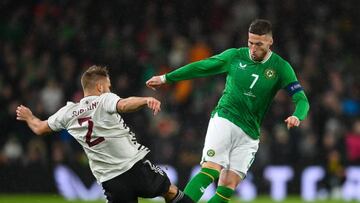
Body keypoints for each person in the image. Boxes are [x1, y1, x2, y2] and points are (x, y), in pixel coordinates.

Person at [146, 19, 310, 202]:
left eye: (258, 44)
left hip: (250, 133)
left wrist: (297, 115)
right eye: (250, 43)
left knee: (228, 186)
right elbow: (201, 67)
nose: (253, 48)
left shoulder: (281, 67)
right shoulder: (235, 56)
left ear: (270, 41)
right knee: (211, 169)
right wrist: (167, 78)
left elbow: (302, 100)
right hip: (226, 118)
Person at [16, 65, 193, 203]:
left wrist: (28, 116)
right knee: (170, 191)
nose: (109, 90)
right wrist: (145, 100)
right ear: (100, 87)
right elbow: (124, 104)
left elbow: (39, 127)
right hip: (133, 168)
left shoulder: (67, 112)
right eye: (108, 86)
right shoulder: (103, 100)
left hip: (110, 180)